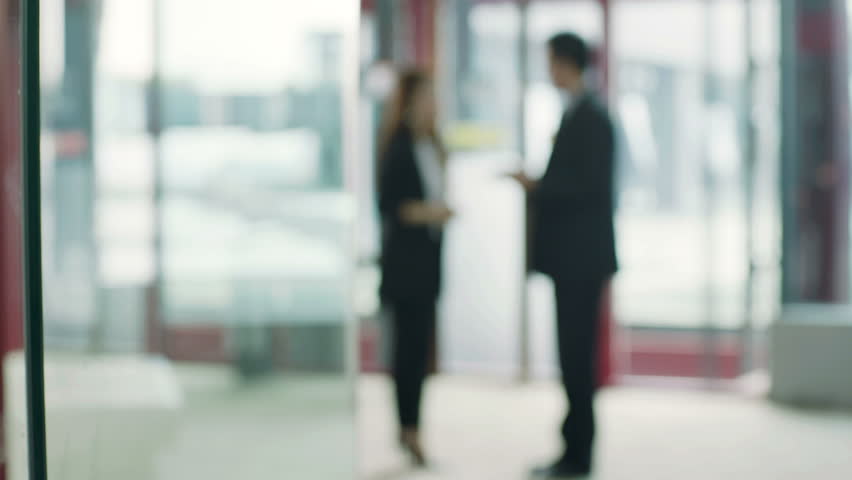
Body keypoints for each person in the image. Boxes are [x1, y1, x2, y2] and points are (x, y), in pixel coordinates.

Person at [508, 32, 618, 478]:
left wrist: (537, 185)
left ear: (566, 63)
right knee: (571, 356)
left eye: (551, 61)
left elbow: (587, 187)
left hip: (581, 260)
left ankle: (578, 455)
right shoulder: (578, 113)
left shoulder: (590, 117)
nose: (548, 71)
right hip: (572, 260)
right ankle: (573, 448)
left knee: (577, 357)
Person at [377, 68, 452, 467]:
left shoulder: (434, 145)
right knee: (406, 354)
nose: (433, 105)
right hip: (405, 269)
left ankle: (413, 430)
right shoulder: (398, 147)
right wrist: (432, 213)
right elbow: (391, 206)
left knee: (419, 352)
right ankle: (407, 429)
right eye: (426, 97)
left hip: (428, 267)